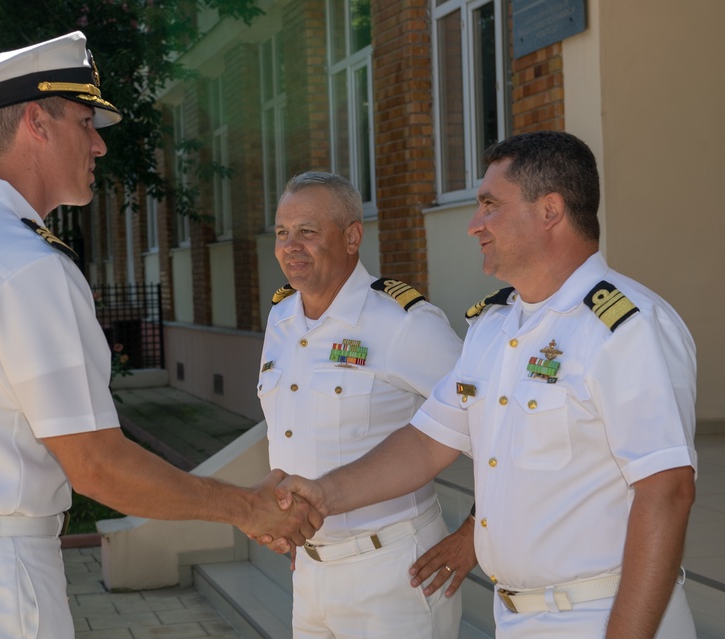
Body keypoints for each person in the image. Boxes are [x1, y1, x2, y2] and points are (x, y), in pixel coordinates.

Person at [0, 31, 319, 639]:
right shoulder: (29, 265)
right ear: (37, 123)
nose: (99, 144)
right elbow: (96, 466)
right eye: (86, 123)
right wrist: (247, 507)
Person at [272, 131, 698, 638]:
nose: (475, 224)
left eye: (490, 205)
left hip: (600, 613)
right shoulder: (494, 328)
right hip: (515, 614)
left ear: (550, 210)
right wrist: (320, 496)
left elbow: (666, 492)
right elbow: (426, 444)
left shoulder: (626, 328)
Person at [260, 171, 473, 637]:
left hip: (393, 573)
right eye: (282, 232)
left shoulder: (403, 323)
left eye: (307, 231)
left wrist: (476, 534)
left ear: (352, 237)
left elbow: (496, 422)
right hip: (310, 571)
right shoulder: (281, 319)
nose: (290, 246)